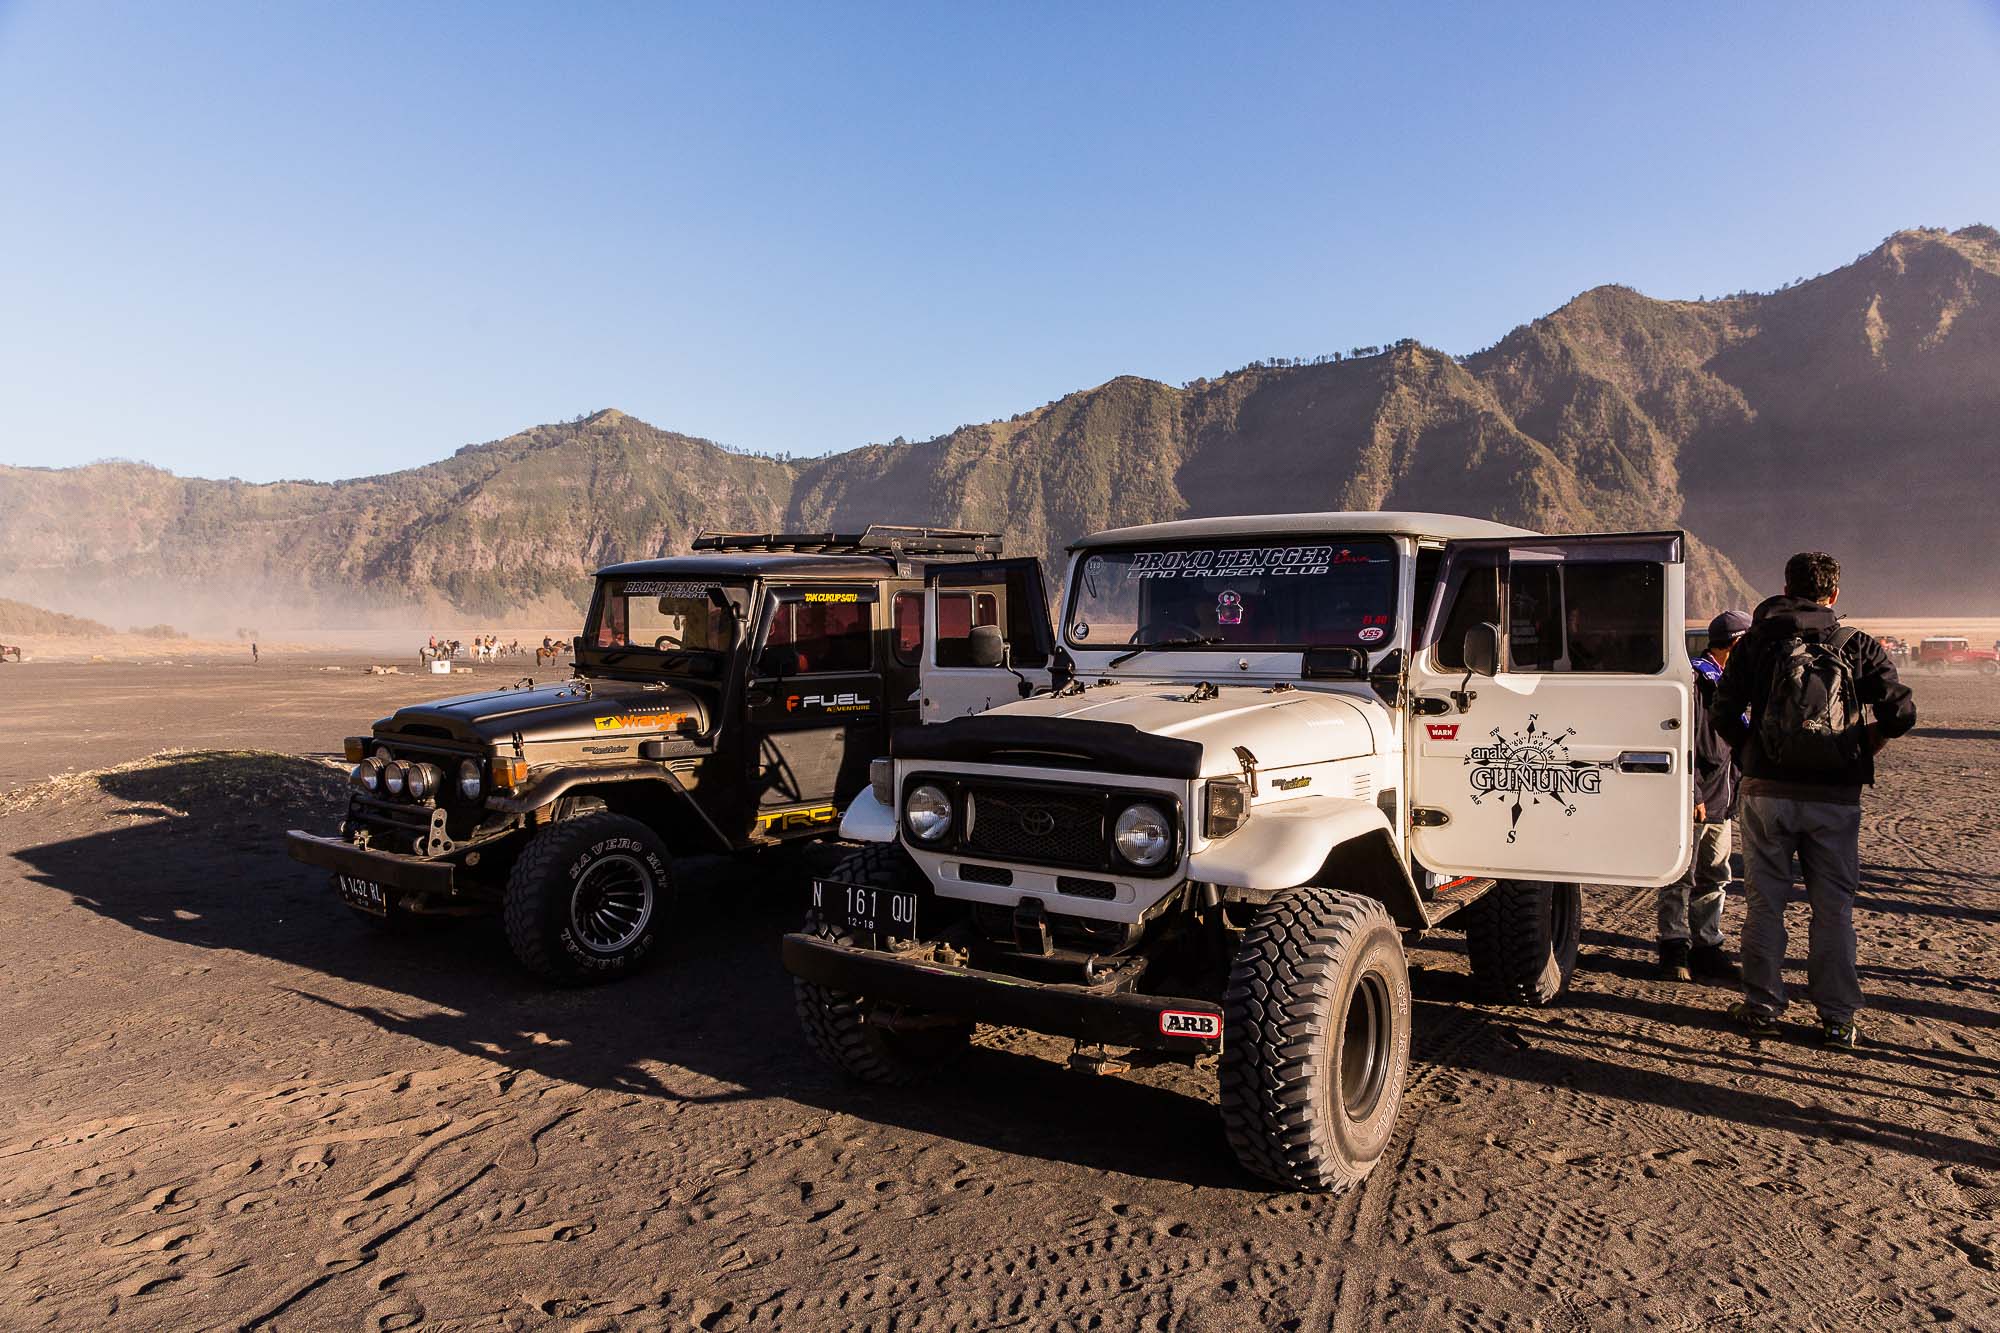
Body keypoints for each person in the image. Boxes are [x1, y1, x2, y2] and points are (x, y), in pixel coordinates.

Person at [1711, 552, 1915, 1049]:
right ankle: (1837, 1018)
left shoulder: (1757, 642)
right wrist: (1866, 743)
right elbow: (1901, 712)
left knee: (1765, 904)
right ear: (1834, 594)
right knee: (1833, 909)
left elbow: (1723, 711)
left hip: (1766, 793)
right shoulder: (1857, 645)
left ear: (1785, 587)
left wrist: (1752, 748)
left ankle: (1762, 1007)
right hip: (1835, 796)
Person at [1658, 609, 1750, 982]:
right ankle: (1673, 945)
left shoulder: (1733, 682)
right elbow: (1685, 740)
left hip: (1722, 798)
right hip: (1695, 797)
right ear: (1737, 643)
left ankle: (1707, 945)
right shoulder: (1698, 680)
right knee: (1681, 874)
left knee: (1715, 874)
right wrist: (1692, 791)